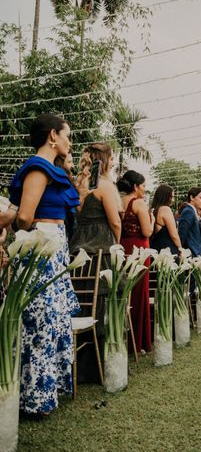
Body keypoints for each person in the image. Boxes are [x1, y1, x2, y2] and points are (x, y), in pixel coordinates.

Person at [8, 114, 80, 416]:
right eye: (67, 135)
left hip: (54, 244)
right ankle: (33, 399)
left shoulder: (53, 169)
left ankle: (46, 392)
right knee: (42, 321)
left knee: (53, 319)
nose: (69, 141)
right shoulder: (38, 168)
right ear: (53, 135)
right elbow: (24, 217)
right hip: (41, 246)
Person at [69, 143, 121, 383]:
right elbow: (115, 222)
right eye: (112, 158)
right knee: (100, 305)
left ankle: (76, 366)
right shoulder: (106, 186)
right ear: (106, 160)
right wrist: (116, 246)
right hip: (101, 251)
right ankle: (95, 368)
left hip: (77, 252)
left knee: (81, 303)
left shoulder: (79, 185)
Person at [117, 170, 153, 355]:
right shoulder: (139, 203)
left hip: (123, 248)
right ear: (135, 186)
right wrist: (153, 221)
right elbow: (147, 232)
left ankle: (124, 338)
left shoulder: (119, 201)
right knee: (139, 295)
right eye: (144, 186)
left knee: (126, 293)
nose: (145, 190)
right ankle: (138, 343)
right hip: (139, 250)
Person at [150, 185, 182, 256]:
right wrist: (181, 249)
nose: (173, 200)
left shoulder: (154, 210)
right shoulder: (165, 209)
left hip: (156, 248)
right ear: (166, 196)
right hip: (167, 251)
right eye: (172, 197)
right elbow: (174, 235)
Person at [178, 187, 201, 259]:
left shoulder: (192, 211)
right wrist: (181, 252)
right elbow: (182, 234)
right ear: (192, 197)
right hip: (191, 256)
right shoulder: (188, 211)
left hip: (196, 255)